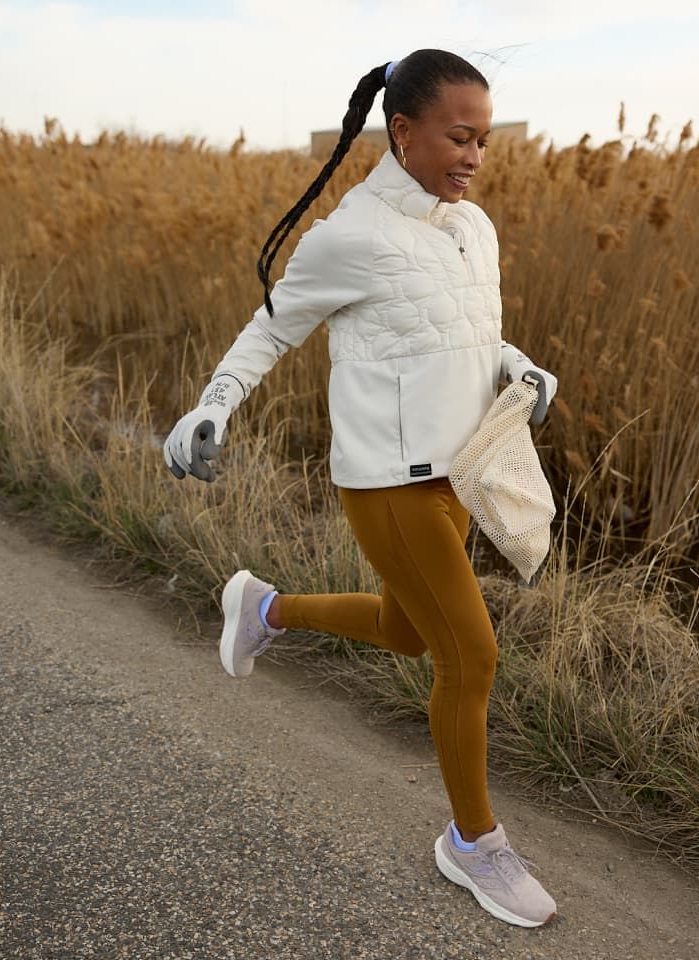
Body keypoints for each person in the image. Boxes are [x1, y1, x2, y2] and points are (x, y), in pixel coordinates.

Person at [164, 49, 558, 928]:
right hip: (388, 485)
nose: (473, 157)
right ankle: (472, 843)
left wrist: (519, 364)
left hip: (460, 479)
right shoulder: (351, 236)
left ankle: (264, 611)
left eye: (484, 141)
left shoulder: (473, 227)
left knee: (404, 632)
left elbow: (468, 333)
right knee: (471, 656)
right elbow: (271, 329)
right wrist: (212, 407)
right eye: (459, 137)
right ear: (403, 131)